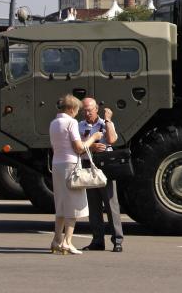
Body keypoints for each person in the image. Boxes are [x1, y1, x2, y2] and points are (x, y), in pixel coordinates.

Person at [49, 94, 103, 255]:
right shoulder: (71, 122)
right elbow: (79, 148)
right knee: (73, 206)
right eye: (77, 110)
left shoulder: (53, 123)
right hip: (70, 165)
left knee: (60, 205)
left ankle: (56, 240)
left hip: (56, 164)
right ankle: (67, 242)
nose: (77, 114)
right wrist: (94, 137)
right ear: (72, 109)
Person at [77, 97, 123, 252]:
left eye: (90, 110)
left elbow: (112, 140)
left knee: (111, 204)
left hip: (105, 166)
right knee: (93, 205)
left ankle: (117, 240)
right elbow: (77, 149)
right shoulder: (79, 126)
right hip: (88, 166)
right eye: (84, 110)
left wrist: (109, 120)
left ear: (96, 109)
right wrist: (91, 147)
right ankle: (97, 240)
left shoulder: (104, 123)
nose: (87, 113)